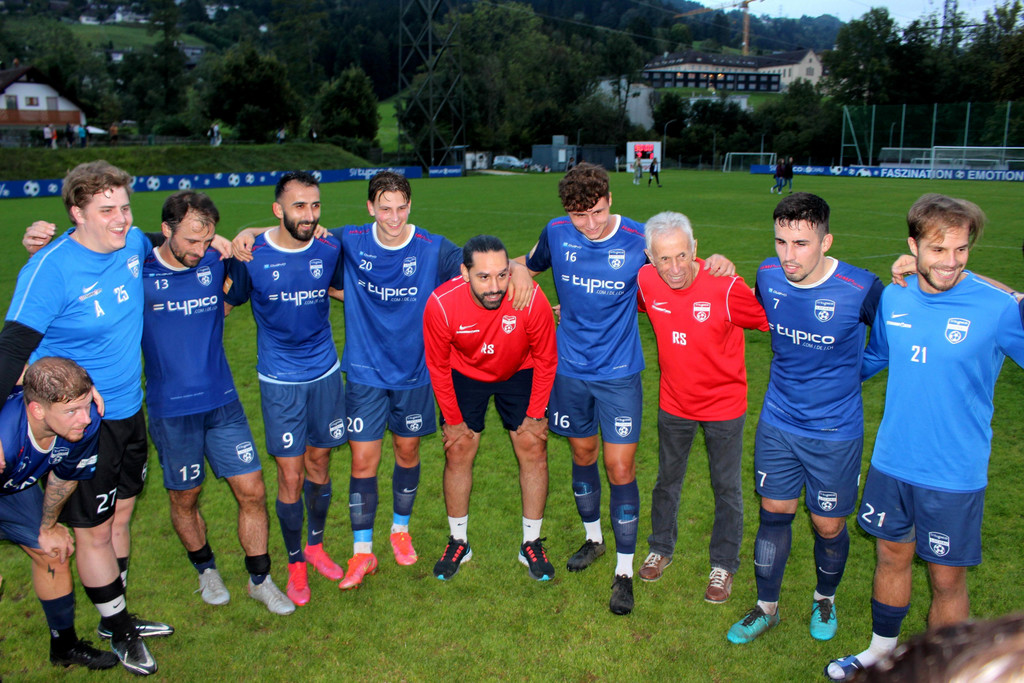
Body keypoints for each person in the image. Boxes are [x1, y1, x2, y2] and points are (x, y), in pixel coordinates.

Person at [511, 162, 734, 615]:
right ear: (567, 212)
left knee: (620, 467)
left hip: (618, 373)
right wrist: (514, 271)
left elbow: (682, 269)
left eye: (596, 211)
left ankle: (625, 570)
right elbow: (524, 265)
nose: (590, 224)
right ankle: (594, 539)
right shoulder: (556, 232)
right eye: (579, 215)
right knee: (582, 454)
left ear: (610, 200)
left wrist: (717, 263)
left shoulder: (637, 240)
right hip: (570, 371)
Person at [825, 194, 1024, 681]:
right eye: (938, 250)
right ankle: (880, 653)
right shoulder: (895, 297)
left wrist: (1011, 294)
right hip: (892, 461)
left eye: (961, 249)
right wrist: (818, 378)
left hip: (953, 473)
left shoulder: (997, 308)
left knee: (946, 579)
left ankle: (949, 671)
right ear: (913, 246)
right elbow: (875, 357)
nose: (951, 261)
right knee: (890, 556)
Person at [3, 160, 172, 675]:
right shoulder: (49, 270)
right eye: (106, 210)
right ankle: (120, 633)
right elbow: (11, 350)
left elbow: (158, 240)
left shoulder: (131, 244)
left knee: (120, 517)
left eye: (125, 207)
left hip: (130, 409)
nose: (121, 219)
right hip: (82, 424)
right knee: (93, 531)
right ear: (77, 213)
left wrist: (235, 238)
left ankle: (112, 615)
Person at [726, 192, 883, 645]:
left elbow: (884, 347)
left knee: (827, 523)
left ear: (826, 242)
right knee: (774, 513)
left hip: (834, 431)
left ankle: (824, 598)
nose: (788, 255)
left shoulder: (861, 288)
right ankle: (766, 608)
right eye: (781, 242)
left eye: (801, 244)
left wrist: (846, 378)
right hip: (778, 421)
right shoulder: (768, 274)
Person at [141, 191, 294, 615]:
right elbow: (91, 249)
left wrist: (242, 234)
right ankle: (206, 569)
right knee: (185, 498)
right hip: (172, 411)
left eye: (207, 240)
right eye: (191, 240)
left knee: (253, 490)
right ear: (166, 230)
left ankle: (260, 580)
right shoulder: (137, 269)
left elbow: (275, 237)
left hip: (222, 403)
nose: (199, 249)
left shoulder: (214, 259)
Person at [224, 171, 347, 607]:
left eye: (315, 205)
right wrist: (244, 234)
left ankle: (315, 546)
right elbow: (223, 304)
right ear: (278, 209)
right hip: (280, 382)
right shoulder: (251, 254)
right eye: (299, 206)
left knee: (320, 464)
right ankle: (295, 564)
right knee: (290, 475)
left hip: (326, 373)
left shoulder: (330, 247)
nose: (309, 215)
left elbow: (345, 289)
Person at [635, 212, 768, 604]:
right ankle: (660, 548)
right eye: (664, 258)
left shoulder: (725, 286)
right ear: (649, 258)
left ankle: (723, 565)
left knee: (727, 488)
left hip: (724, 407)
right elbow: (636, 305)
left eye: (682, 255)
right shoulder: (646, 281)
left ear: (695, 248)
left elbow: (768, 317)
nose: (675, 268)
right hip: (674, 402)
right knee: (666, 481)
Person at [423, 235, 557, 582]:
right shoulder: (441, 304)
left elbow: (546, 358)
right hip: (466, 371)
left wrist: (536, 413)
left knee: (533, 446)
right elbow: (437, 366)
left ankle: (531, 542)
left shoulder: (529, 297)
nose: (495, 286)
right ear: (464, 273)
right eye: (483, 277)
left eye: (501, 274)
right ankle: (458, 541)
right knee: (458, 450)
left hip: (520, 369)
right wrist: (453, 421)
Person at [0, 357, 115, 671]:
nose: (85, 418)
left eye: (85, 406)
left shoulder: (85, 424)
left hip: (13, 487)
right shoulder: (6, 439)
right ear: (37, 410)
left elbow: (63, 479)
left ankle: (64, 646)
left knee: (53, 551)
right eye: (72, 411)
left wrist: (48, 526)